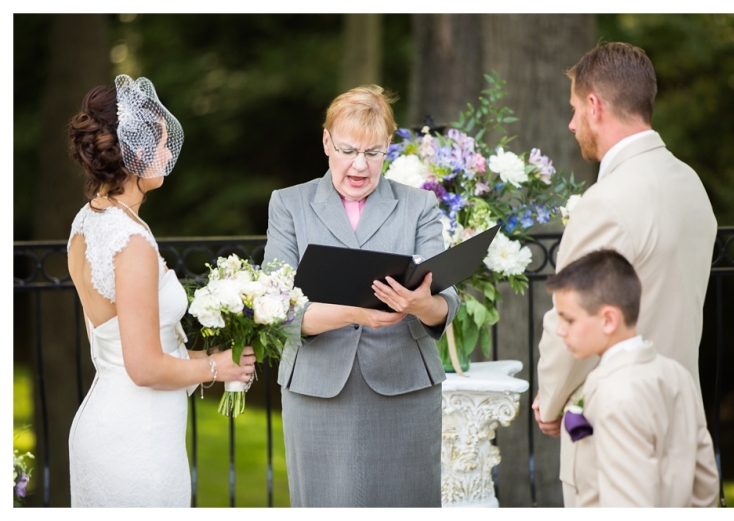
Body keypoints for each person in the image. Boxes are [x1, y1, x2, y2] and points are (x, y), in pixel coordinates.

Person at [533, 42, 718, 506]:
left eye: (575, 109)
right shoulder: (690, 184)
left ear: (595, 105)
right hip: (682, 417)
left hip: (613, 427)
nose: (572, 124)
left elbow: (570, 316)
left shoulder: (607, 202)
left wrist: (552, 400)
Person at [263, 85, 459, 507]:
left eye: (372, 153)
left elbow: (448, 304)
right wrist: (357, 313)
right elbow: (275, 309)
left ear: (388, 147)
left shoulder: (419, 206)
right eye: (349, 150)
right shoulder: (288, 205)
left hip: (404, 390)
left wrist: (419, 304)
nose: (359, 165)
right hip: (317, 390)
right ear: (326, 142)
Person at [66, 75, 256, 507]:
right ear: (134, 150)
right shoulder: (130, 241)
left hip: (113, 423)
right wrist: (217, 371)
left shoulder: (88, 222)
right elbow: (145, 368)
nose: (170, 154)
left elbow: (126, 346)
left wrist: (211, 358)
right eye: (163, 144)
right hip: (137, 443)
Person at [545, 249, 719, 507]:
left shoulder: (617, 394)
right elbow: (705, 485)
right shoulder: (676, 375)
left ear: (608, 320)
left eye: (568, 320)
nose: (560, 331)